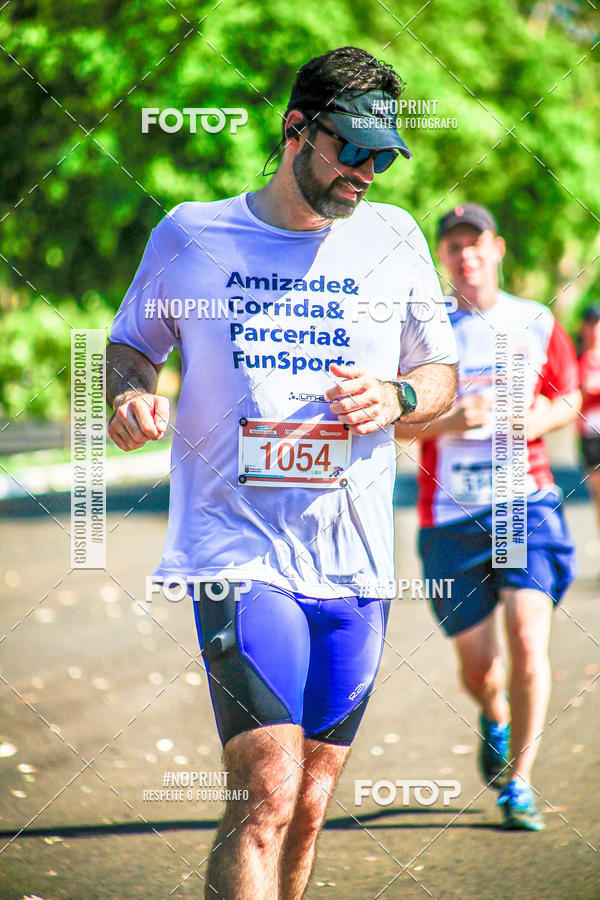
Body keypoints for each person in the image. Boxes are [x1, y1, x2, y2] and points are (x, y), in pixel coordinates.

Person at [106, 47, 457, 899]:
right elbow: (128, 349)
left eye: (383, 156)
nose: (367, 173)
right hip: (237, 550)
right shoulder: (191, 233)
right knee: (264, 793)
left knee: (309, 801)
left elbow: (443, 381)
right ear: (296, 129)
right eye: (352, 150)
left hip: (357, 562)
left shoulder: (396, 238)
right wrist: (129, 399)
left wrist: (398, 393)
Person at [396, 202, 581, 830]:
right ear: (443, 259)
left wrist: (532, 421)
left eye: (475, 242)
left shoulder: (534, 320)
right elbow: (395, 428)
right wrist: (451, 419)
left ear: (497, 248)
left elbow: (571, 396)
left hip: (523, 503)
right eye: (453, 246)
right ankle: (494, 714)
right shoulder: (426, 333)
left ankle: (520, 784)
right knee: (479, 668)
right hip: (448, 517)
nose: (466, 254)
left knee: (530, 642)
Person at [577, 307, 600, 539]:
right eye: (590, 325)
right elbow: (580, 391)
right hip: (590, 436)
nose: (594, 330)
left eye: (597, 324)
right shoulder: (580, 360)